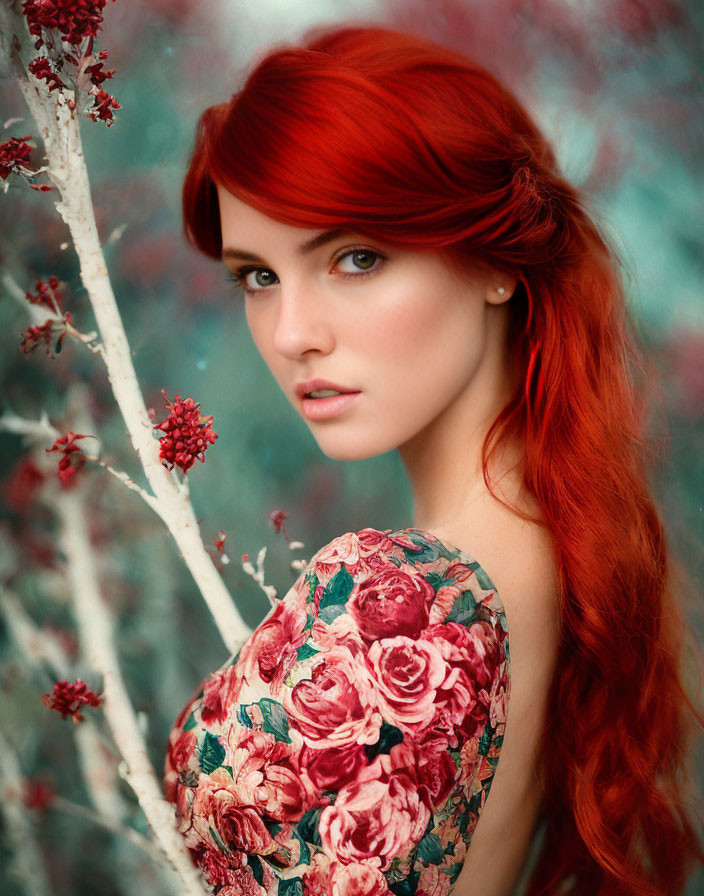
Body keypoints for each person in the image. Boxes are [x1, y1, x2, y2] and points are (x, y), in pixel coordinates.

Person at [163, 23, 704, 896]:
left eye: (356, 257)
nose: (294, 333)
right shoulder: (560, 547)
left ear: (497, 259)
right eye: (257, 276)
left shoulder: (407, 593)